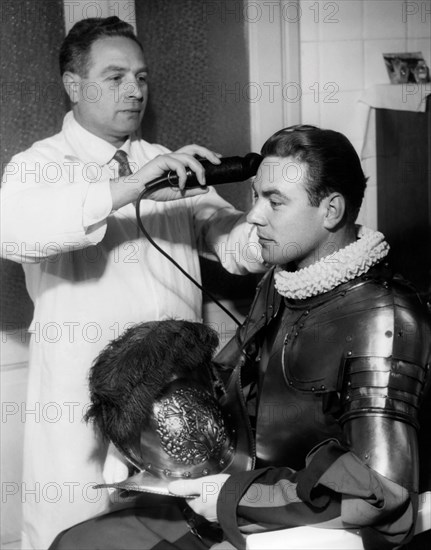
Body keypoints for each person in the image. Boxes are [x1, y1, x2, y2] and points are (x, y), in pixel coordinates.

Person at [48, 125, 431, 550]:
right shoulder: (284, 280)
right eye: (256, 196)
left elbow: (382, 493)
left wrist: (234, 497)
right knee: (76, 541)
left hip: (301, 530)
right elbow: (229, 376)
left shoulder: (384, 319)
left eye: (275, 201)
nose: (253, 216)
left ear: (331, 210)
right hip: (241, 495)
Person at [0, 16, 263, 549]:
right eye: (116, 76)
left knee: (180, 529)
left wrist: (275, 217)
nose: (135, 91)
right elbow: (14, 234)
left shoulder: (165, 162)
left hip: (177, 393)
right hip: (80, 398)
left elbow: (233, 246)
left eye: (141, 78)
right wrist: (131, 186)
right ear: (74, 86)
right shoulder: (40, 166)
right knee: (73, 529)